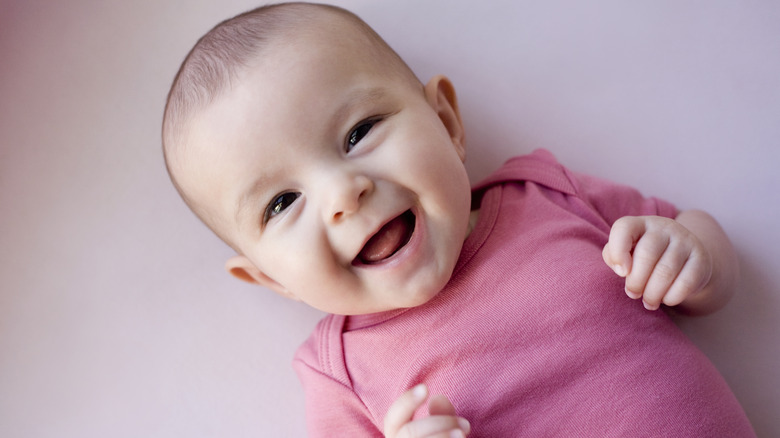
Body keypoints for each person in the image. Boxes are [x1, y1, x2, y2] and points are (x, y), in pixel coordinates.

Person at [162, 2, 755, 437]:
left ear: (445, 121)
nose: (344, 192)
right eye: (281, 203)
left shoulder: (544, 194)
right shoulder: (339, 372)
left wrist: (691, 258)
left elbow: (707, 263)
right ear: (272, 279)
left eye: (359, 132)